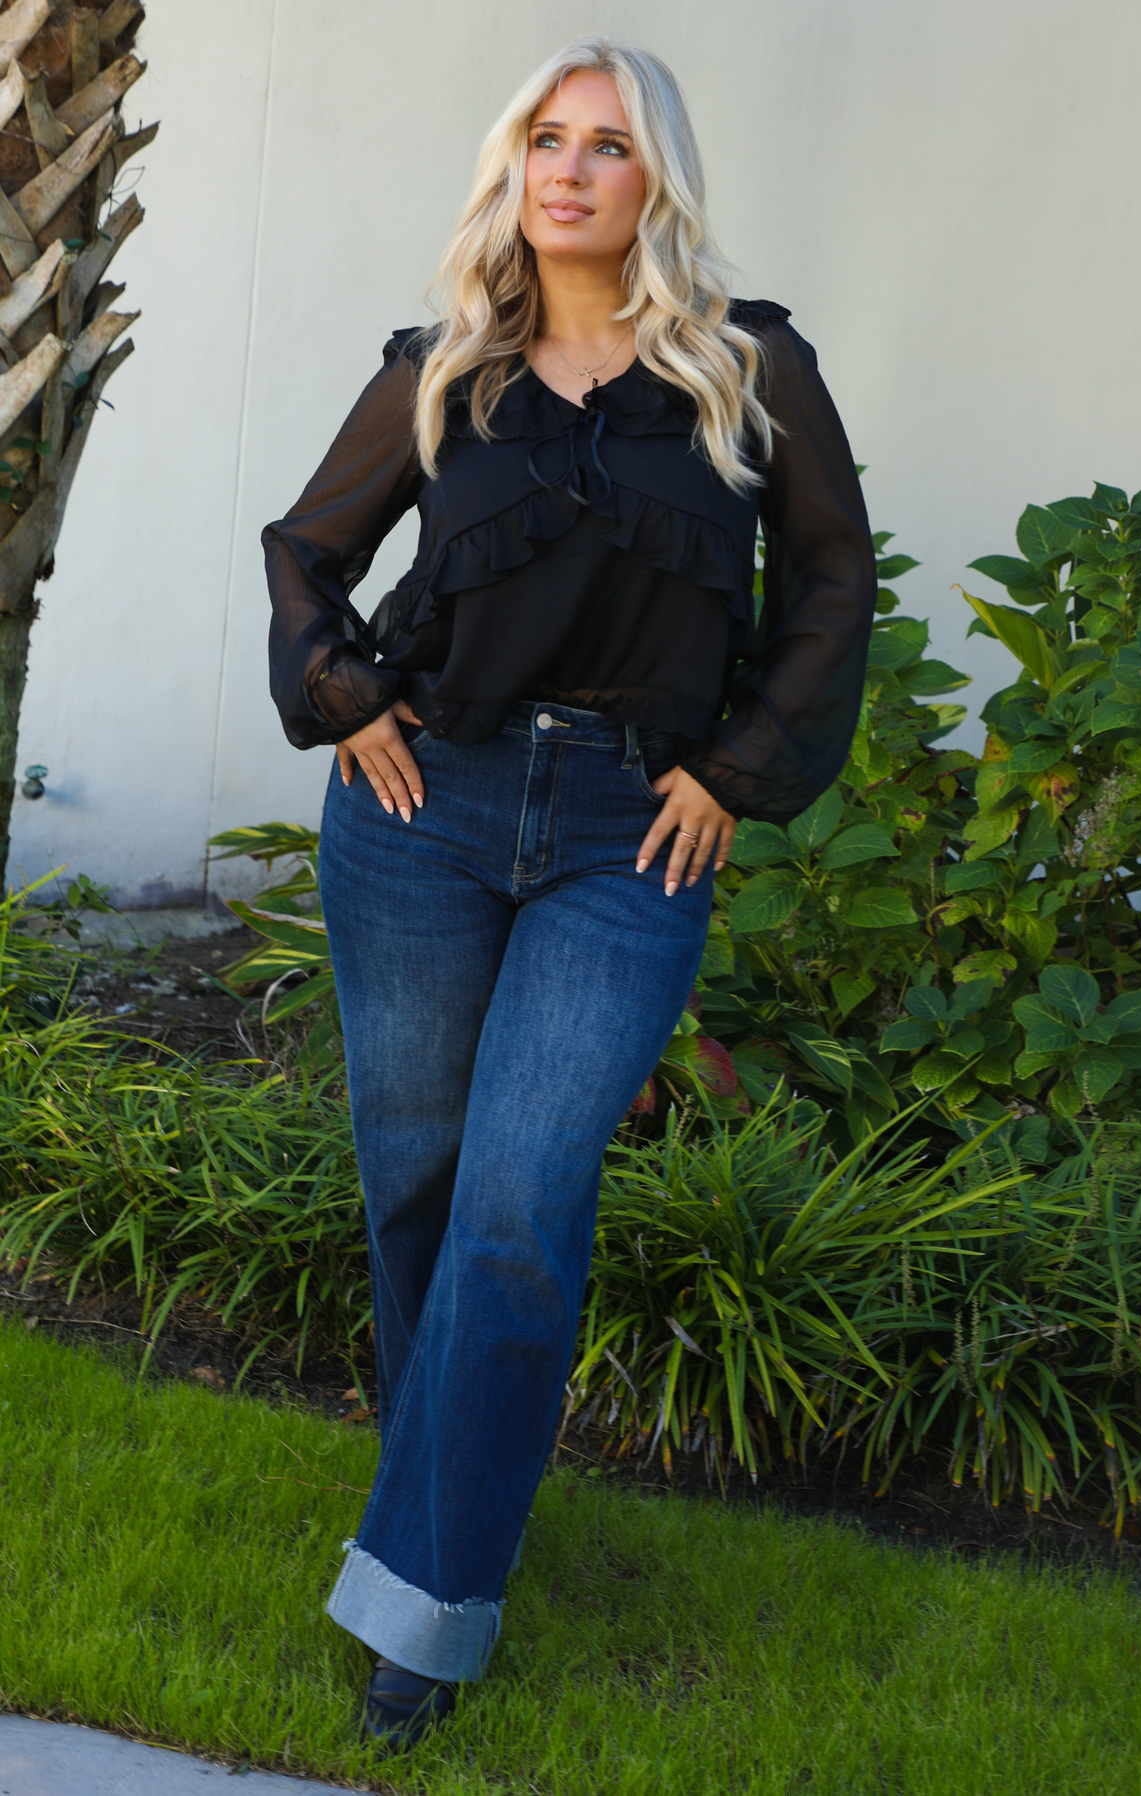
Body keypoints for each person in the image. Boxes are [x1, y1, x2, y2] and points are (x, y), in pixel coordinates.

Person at [262, 34, 875, 1750]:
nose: (571, 169)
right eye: (546, 138)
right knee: (420, 1189)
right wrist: (346, 697)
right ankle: (439, 1519)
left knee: (522, 1200)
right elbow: (307, 552)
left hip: (630, 832)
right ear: (512, 165)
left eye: (606, 144)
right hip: (425, 809)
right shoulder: (445, 365)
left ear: (651, 177)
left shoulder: (748, 373)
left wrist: (741, 766)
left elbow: (834, 574)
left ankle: (425, 1617)